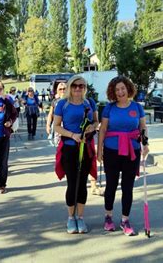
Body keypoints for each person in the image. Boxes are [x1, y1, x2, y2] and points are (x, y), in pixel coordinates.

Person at [97, 76, 149, 236]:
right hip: (112, 151)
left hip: (132, 151)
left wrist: (145, 144)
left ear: (128, 89)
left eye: (122, 88)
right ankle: (108, 217)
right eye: (117, 89)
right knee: (111, 185)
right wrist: (99, 150)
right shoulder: (109, 108)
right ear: (113, 92)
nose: (120, 92)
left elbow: (143, 128)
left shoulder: (137, 107)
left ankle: (125, 220)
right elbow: (103, 130)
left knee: (128, 187)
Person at [53, 75, 99, 234]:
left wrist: (91, 128)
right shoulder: (62, 104)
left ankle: (80, 217)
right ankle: (70, 218)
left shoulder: (89, 103)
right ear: (70, 87)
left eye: (81, 86)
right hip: (70, 147)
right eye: (75, 86)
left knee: (82, 184)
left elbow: (95, 122)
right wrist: (72, 135)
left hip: (85, 148)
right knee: (72, 183)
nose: (78, 89)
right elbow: (56, 126)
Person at [46, 82, 67, 146]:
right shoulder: (55, 101)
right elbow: (50, 114)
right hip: (57, 125)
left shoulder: (70, 100)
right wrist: (48, 125)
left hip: (68, 126)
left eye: (64, 89)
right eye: (60, 89)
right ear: (57, 90)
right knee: (58, 146)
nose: (62, 90)